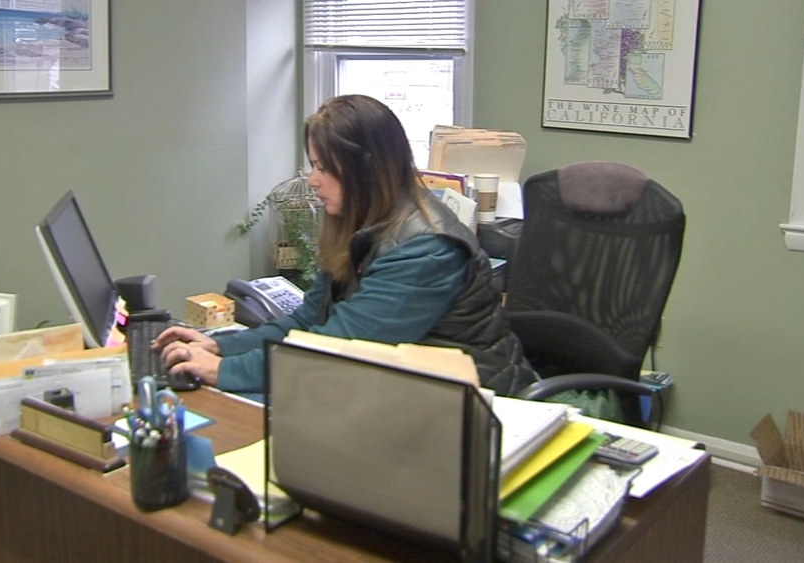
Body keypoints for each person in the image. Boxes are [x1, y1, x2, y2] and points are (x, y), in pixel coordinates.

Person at [153, 94, 535, 398]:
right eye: (313, 165)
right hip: (407, 394)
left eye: (323, 168)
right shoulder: (356, 222)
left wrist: (223, 371)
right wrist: (222, 347)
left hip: (483, 407)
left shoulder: (427, 248)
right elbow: (308, 323)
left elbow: (337, 349)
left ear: (365, 168)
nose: (313, 180)